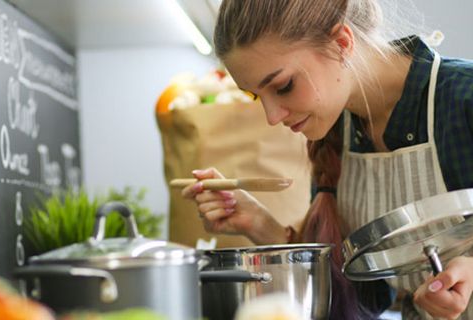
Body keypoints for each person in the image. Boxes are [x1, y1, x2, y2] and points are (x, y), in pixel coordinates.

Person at [181, 0, 473, 319]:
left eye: (283, 86)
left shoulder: (463, 97)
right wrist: (261, 225)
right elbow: (360, 298)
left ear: (341, 43)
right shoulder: (338, 133)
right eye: (256, 96)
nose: (272, 116)